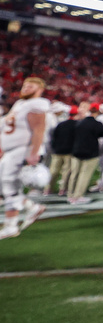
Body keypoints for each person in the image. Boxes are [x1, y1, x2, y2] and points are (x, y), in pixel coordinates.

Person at [0, 77, 50, 240]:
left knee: (9, 186)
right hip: (12, 150)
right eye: (25, 85)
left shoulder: (37, 104)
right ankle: (32, 208)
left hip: (23, 150)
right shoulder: (20, 104)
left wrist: (34, 152)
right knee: (6, 186)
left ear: (40, 90)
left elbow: (38, 130)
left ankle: (11, 226)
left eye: (31, 86)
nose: (26, 88)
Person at [67, 103, 103, 205]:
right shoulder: (97, 124)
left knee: (74, 174)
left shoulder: (79, 123)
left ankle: (70, 195)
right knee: (84, 175)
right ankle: (78, 196)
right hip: (91, 152)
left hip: (76, 151)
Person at [50, 105, 78, 197]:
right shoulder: (77, 125)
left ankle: (48, 189)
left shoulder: (60, 124)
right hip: (69, 152)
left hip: (57, 151)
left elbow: (54, 137)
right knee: (66, 172)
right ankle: (63, 189)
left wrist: (54, 148)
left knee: (53, 171)